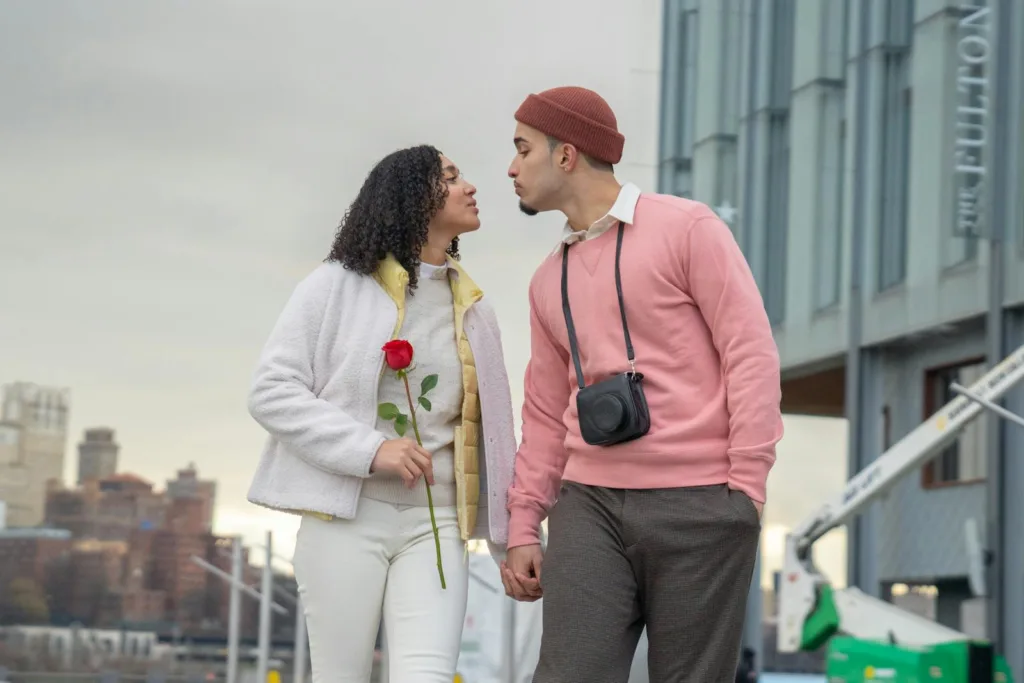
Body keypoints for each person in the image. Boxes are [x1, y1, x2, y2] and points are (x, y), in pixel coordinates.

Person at [500, 86, 783, 683]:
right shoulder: (547, 279)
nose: (511, 167)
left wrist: (746, 489)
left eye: (523, 149)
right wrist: (525, 522)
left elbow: (750, 351)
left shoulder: (687, 228)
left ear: (566, 155)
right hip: (588, 505)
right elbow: (546, 412)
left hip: (703, 500)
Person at [245, 144, 518, 682]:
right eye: (451, 176)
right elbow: (272, 390)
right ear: (412, 196)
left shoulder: (475, 306)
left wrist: (514, 536)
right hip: (347, 520)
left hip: (437, 524)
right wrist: (371, 450)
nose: (470, 186)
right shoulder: (334, 285)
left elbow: (497, 432)